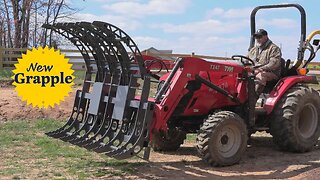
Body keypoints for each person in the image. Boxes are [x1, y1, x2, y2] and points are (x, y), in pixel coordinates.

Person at [248, 29, 282, 97]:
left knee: (260, 76)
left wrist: (261, 69)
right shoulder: (253, 50)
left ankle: (252, 99)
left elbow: (274, 64)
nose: (257, 39)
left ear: (266, 37)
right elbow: (246, 59)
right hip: (254, 71)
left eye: (259, 37)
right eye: (256, 37)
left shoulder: (274, 49)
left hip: (271, 73)